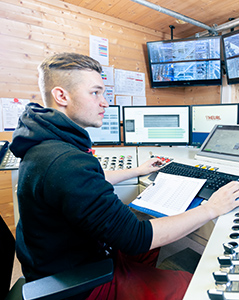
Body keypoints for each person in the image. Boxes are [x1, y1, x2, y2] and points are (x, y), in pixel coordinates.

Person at [10, 52, 239, 300]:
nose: (105, 102)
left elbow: (84, 184)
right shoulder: (65, 162)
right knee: (185, 283)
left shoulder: (45, 142)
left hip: (64, 257)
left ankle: (138, 281)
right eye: (95, 92)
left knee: (153, 237)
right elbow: (137, 239)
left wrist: (137, 171)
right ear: (61, 96)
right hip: (78, 281)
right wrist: (212, 208)